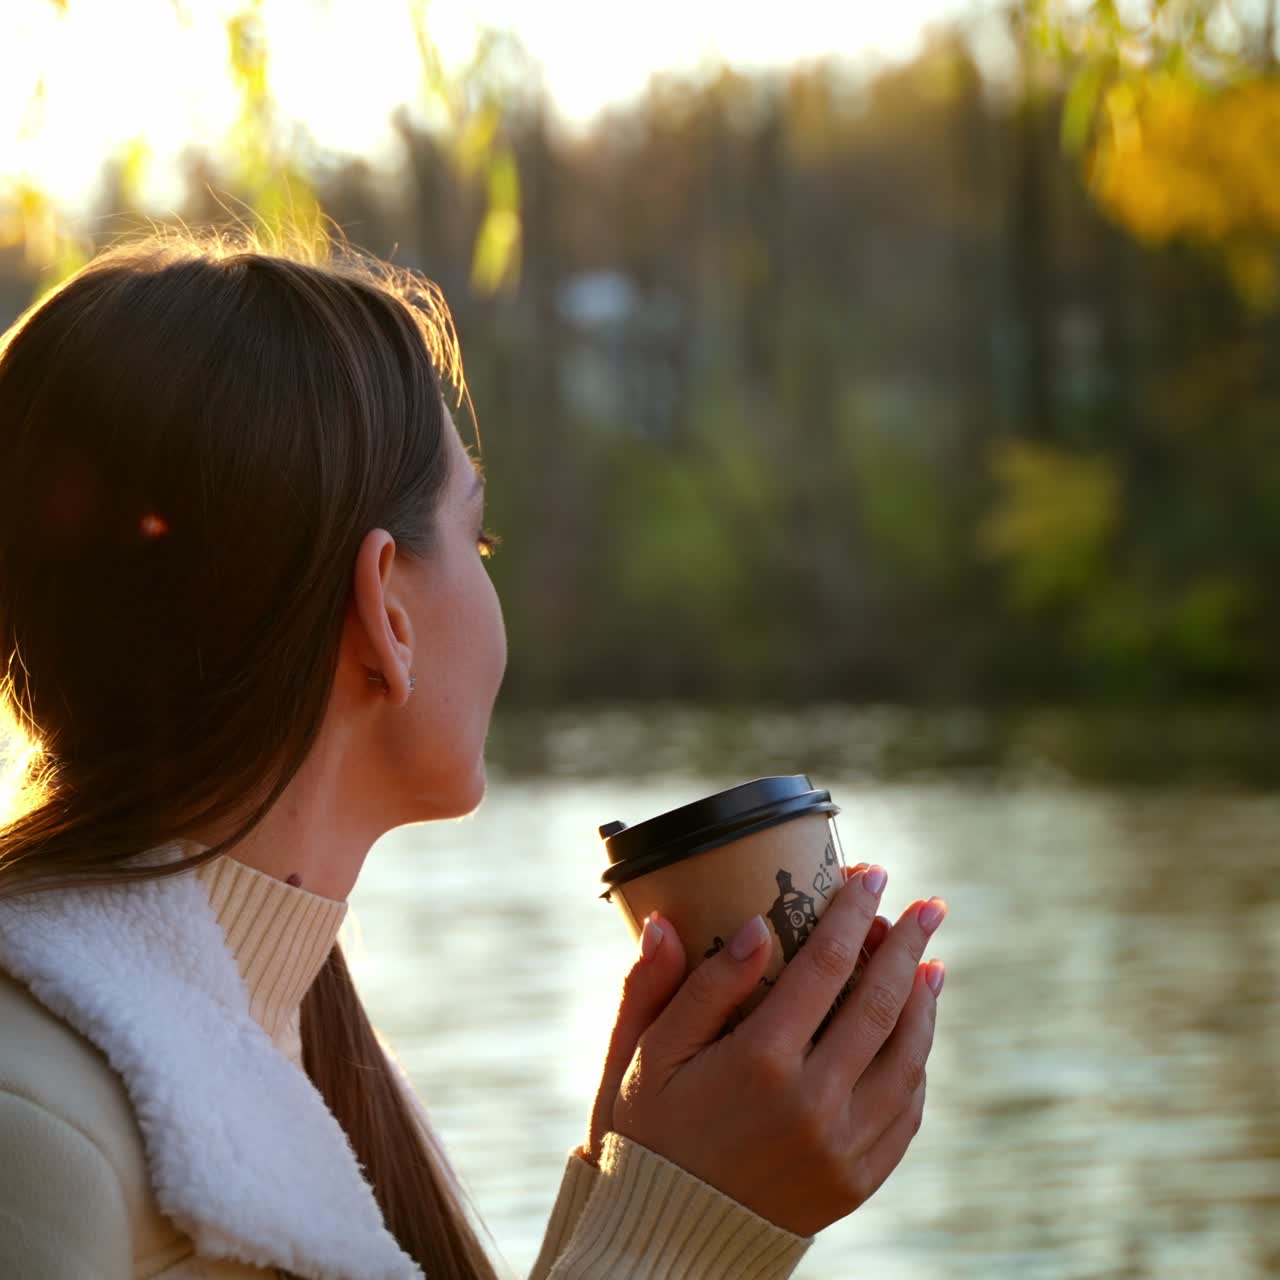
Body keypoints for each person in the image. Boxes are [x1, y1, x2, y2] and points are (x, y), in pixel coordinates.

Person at [0, 226, 947, 1279]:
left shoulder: (278, 1031)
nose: (491, 587)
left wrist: (637, 1183)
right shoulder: (37, 1119)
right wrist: (693, 1232)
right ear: (385, 611)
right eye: (476, 537)